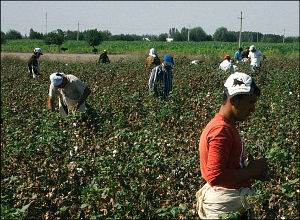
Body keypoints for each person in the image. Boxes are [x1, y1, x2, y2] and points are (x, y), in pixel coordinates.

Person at [196, 72, 270, 219]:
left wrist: (253, 173)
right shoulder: (221, 130)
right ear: (235, 100)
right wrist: (251, 170)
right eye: (250, 102)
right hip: (225, 211)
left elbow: (226, 170)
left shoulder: (224, 126)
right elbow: (216, 176)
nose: (253, 109)